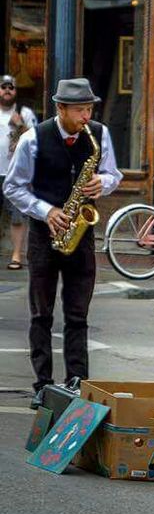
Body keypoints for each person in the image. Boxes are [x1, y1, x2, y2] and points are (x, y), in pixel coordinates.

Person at [3, 78, 122, 406]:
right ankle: (42, 383)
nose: (87, 116)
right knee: (41, 313)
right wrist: (46, 211)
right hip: (43, 235)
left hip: (80, 235)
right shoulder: (33, 139)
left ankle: (76, 379)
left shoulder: (99, 134)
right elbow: (13, 187)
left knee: (78, 314)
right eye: (80, 110)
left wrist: (103, 183)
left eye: (89, 109)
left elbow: (114, 174)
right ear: (61, 109)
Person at [0, 74, 36, 269]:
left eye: (11, 87)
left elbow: (36, 140)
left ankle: (16, 256)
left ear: (16, 91)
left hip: (15, 173)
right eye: (3, 86)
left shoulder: (25, 113)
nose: (7, 90)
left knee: (17, 216)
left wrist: (21, 125)